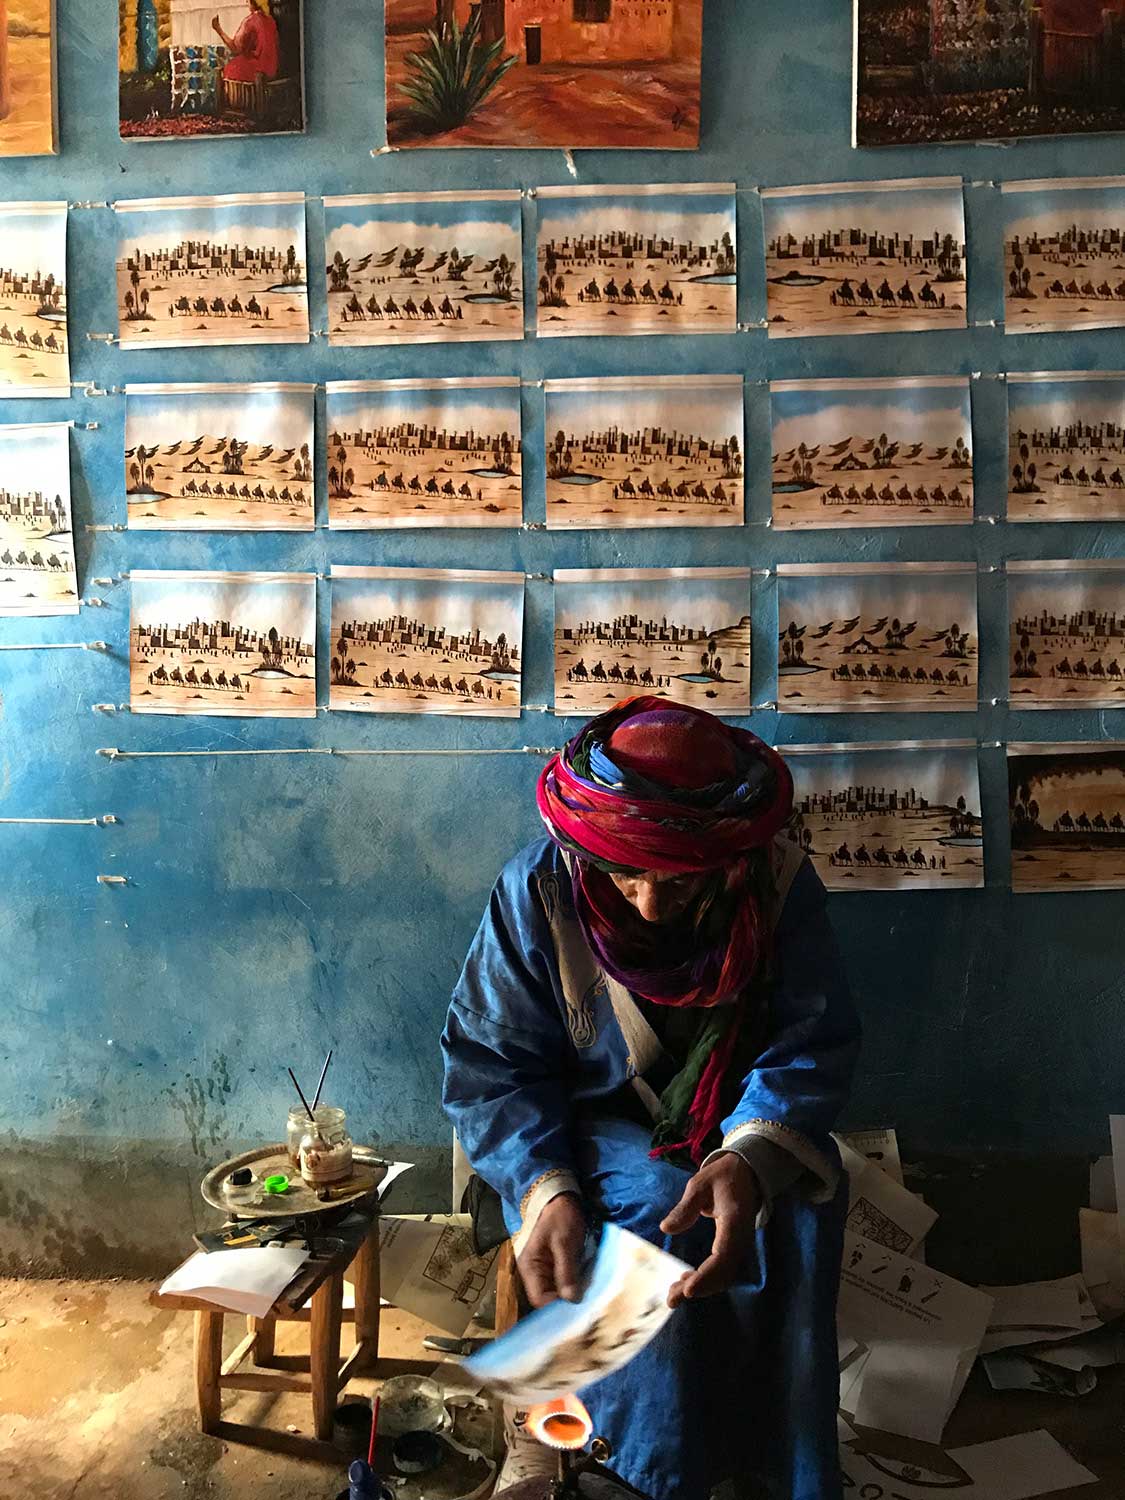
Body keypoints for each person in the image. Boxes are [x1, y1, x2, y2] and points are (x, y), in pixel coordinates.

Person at [443, 698, 860, 1500]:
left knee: (804, 1206)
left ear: (728, 858)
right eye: (625, 871)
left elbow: (808, 1036)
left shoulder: (774, 885)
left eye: (678, 878)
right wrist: (542, 1190)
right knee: (661, 1205)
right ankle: (638, 1466)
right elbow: (492, 1066)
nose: (647, 903)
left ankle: (773, 1466)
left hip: (735, 1121)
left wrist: (748, 1155)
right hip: (575, 1131)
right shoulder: (540, 889)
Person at [212, 0, 280, 83]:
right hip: (271, 70)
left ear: (253, 2)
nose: (246, 2)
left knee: (231, 68)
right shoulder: (271, 21)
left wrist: (218, 29)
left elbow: (235, 48)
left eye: (248, 0)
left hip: (256, 72)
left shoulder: (250, 21)